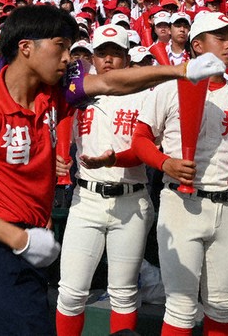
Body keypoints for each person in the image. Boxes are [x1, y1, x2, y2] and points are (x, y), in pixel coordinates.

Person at [0, 5, 225, 336]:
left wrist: (182, 70)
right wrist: (18, 238)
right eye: (60, 45)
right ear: (26, 47)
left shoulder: (54, 94)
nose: (67, 58)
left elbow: (112, 82)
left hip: (34, 245)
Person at [132, 11, 228, 336]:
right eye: (220, 38)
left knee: (221, 305)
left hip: (227, 207)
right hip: (181, 204)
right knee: (180, 306)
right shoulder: (169, 88)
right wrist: (165, 163)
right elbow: (140, 137)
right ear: (197, 45)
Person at [54, 24, 154, 336]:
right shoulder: (76, 95)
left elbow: (144, 149)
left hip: (130, 198)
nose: (108, 60)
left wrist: (114, 159)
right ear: (92, 58)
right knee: (70, 293)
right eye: (102, 54)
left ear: (127, 58)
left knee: (123, 294)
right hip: (87, 199)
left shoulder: (145, 96)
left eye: (116, 54)